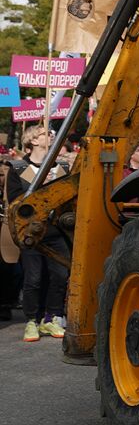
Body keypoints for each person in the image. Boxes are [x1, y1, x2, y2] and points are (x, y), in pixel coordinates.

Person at [9, 128, 69, 342]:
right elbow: (15, 202)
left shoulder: (62, 168)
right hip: (31, 233)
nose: (50, 135)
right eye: (44, 133)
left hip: (55, 230)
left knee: (60, 275)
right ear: (32, 140)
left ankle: (51, 317)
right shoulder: (18, 169)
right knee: (33, 278)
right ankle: (31, 321)